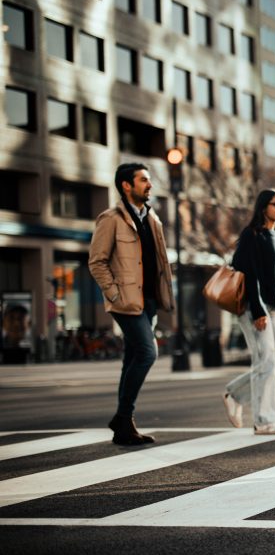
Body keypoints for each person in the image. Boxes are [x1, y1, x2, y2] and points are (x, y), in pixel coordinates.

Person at [88, 163, 174, 445]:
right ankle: (124, 416)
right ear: (127, 185)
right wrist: (114, 294)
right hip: (126, 301)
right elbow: (97, 262)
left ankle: (123, 424)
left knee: (132, 357)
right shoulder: (111, 218)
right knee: (148, 353)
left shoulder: (153, 219)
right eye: (143, 180)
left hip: (148, 301)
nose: (149, 185)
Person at [222, 189, 275, 434]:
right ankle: (264, 421)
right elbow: (248, 273)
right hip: (253, 307)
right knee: (266, 360)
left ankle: (235, 394)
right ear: (263, 208)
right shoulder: (251, 236)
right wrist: (257, 309)